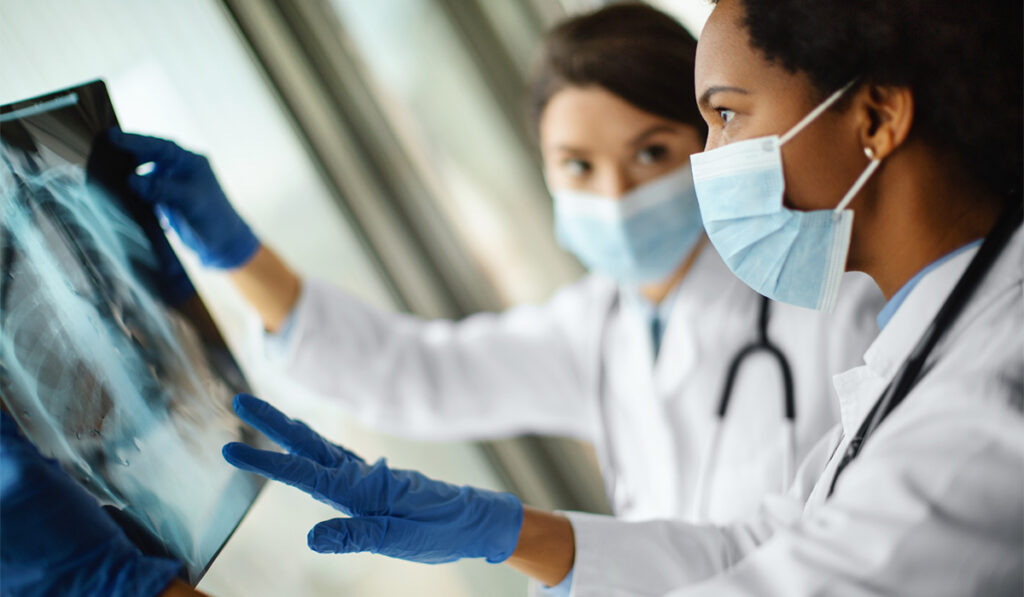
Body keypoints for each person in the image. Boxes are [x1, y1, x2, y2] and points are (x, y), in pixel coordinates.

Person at [109, 0, 1017, 595]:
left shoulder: (976, 399)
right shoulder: (917, 346)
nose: (714, 160)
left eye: (722, 118)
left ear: (877, 118)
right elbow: (762, 544)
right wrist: (517, 531)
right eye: (577, 166)